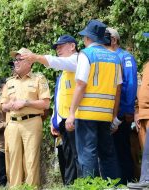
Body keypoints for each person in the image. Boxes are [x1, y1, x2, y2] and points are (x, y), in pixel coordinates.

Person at [66, 19, 122, 179]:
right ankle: (111, 186)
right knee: (108, 154)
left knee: (87, 153)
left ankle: (90, 186)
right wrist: (114, 116)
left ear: (88, 38)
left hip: (87, 114)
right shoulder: (115, 57)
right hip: (105, 114)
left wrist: (71, 113)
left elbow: (81, 85)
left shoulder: (86, 54)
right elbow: (118, 90)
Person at [21, 35, 80, 185]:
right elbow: (60, 98)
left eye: (60, 46)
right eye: (56, 48)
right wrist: (55, 120)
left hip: (75, 119)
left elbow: (55, 62)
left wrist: (35, 57)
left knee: (75, 157)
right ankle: (70, 185)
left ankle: (75, 186)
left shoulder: (77, 60)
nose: (57, 50)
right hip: (64, 120)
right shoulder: (66, 70)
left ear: (72, 46)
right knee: (67, 156)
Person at [0, 47, 50, 187]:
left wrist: (26, 103)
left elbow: (45, 104)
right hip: (13, 123)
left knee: (31, 160)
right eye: (15, 60)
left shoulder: (39, 79)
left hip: (32, 122)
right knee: (13, 159)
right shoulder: (9, 82)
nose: (16, 62)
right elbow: (3, 106)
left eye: (19, 59)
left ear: (29, 62)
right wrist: (10, 106)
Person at [107, 27, 138, 184]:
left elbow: (130, 85)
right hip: (106, 113)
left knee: (122, 149)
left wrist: (126, 110)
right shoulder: (106, 58)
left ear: (113, 40)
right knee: (110, 151)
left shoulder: (125, 57)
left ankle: (128, 181)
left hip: (121, 113)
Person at [127, 32, 149, 189]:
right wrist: (136, 110)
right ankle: (145, 179)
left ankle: (145, 180)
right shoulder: (147, 65)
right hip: (143, 114)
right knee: (146, 149)